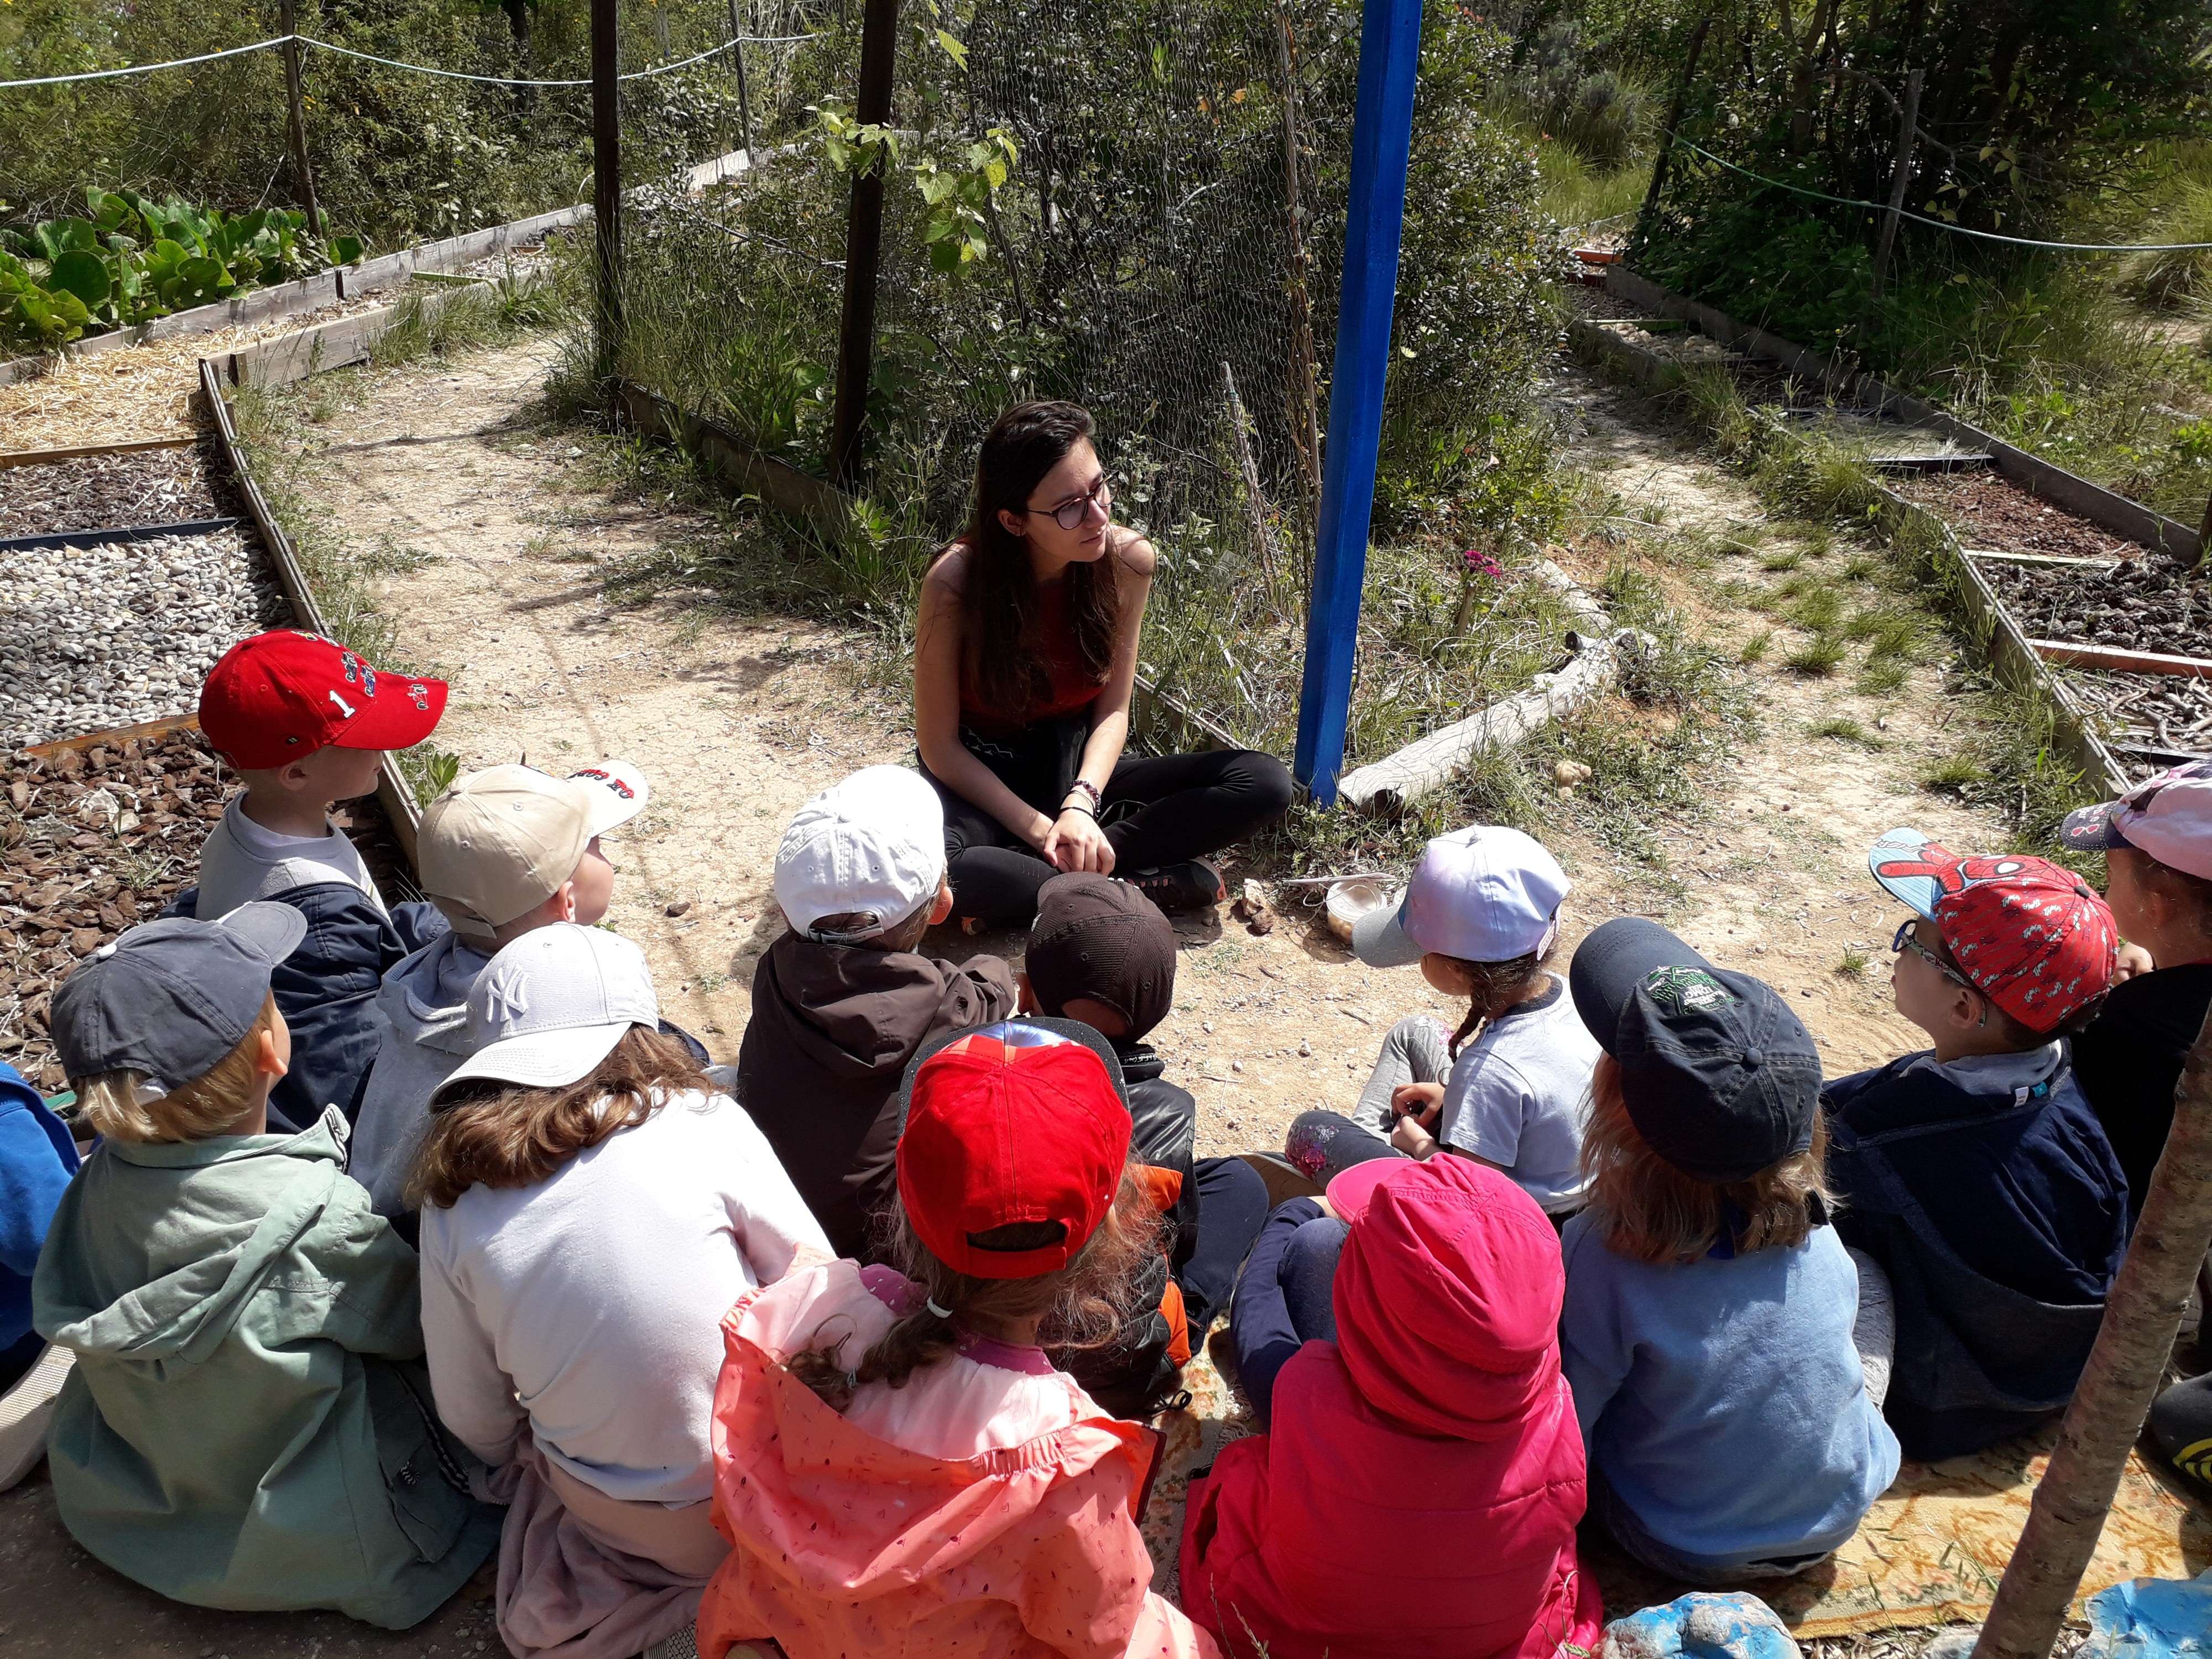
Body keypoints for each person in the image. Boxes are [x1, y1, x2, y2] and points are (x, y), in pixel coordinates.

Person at [695, 1019, 1219, 1659]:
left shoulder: (798, 1314)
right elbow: (1098, 1629)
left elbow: (728, 1508)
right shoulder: (1066, 1463)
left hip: (780, 1630)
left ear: (908, 1206)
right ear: (1108, 1233)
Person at [33, 907, 498, 1625]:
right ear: (274, 1052)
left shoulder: (97, 1183)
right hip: (316, 1535)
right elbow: (416, 1328)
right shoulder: (315, 1220)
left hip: (141, 1498)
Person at [411, 922, 829, 1659]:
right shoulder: (706, 1121)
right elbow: (816, 1282)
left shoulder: (456, 1206)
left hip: (621, 1519)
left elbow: (470, 1413)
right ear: (643, 1031)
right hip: (774, 1491)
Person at [1560, 918, 1898, 1584]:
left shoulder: (1597, 1251)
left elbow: (1571, 1416)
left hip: (1680, 1540)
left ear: (1614, 1110)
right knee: (1867, 1283)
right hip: (1836, 1519)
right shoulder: (1816, 1226)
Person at [1181, 1157, 1600, 1659]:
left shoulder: (1309, 1389)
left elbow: (1257, 1315)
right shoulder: (1558, 1409)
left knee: (1314, 1248)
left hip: (1305, 1631)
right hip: (1489, 1635)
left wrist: (1292, 1212)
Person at [914, 400, 1294, 930]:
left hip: (1074, 777)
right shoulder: (956, 583)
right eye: (1069, 506)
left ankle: (1055, 880)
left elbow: (1115, 709)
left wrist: (1081, 804)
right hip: (979, 784)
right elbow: (939, 748)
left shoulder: (1128, 562)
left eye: (1098, 488)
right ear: (1013, 521)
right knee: (941, 873)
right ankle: (1117, 886)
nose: (1098, 515)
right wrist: (1041, 829)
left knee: (1266, 782)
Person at [1827, 831, 2129, 1459]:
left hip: (1945, 1403)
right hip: (2052, 1375)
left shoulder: (1895, 1137)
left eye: (1915, 941)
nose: (1898, 949)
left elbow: (1809, 1146)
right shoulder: (2052, 1074)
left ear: (1964, 1007)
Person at [349, 760, 650, 1224]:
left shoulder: (418, 985)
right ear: (566, 901)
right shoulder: (571, 1025)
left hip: (385, 1218)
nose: (607, 857)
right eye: (595, 846)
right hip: (437, 1251)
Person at [738, 765, 1017, 1259]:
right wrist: (994, 966)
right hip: (879, 1254)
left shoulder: (774, 975)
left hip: (778, 1230)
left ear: (785, 913)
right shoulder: (944, 1003)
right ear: (941, 905)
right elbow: (994, 991)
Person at [184, 630, 452, 1131]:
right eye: (366, 736)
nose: (387, 746)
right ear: (296, 775)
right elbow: (349, 1074)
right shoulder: (318, 920)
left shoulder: (249, 825)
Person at [1277, 826, 1600, 1227]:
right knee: (1416, 1032)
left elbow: (1473, 1203)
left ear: (1453, 968)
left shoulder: (1490, 1072)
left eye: (1421, 953)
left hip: (1521, 1219)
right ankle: (1367, 1167)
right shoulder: (1573, 996)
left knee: (1309, 1131)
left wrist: (1422, 1146)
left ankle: (1362, 1204)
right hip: (1562, 1177)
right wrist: (1454, 1096)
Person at [1020, 872, 1271, 1361]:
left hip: (996, 1319)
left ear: (1026, 992)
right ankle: (1189, 1322)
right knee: (1242, 1182)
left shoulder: (973, 1075)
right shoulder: (1170, 1113)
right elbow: (1181, 1239)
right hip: (1114, 1357)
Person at [2060, 763, 2212, 1208]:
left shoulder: (2131, 1033)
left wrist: (2104, 1004)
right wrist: (2162, 963)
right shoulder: (2171, 1006)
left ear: (2158, 901)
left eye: (2110, 873)